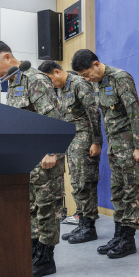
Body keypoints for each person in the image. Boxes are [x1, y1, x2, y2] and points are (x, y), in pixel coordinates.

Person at [0, 40, 65, 277]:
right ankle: (34, 252)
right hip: (28, 160)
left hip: (45, 158)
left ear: (7, 57)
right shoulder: (14, 82)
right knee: (32, 210)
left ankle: (46, 260)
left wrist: (51, 152)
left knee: (47, 209)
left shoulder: (35, 79)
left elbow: (52, 119)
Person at [71, 49, 139, 258]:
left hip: (131, 146)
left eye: (87, 74)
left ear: (96, 64)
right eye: (83, 77)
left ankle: (128, 240)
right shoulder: (98, 83)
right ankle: (119, 235)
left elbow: (134, 111)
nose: (87, 79)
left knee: (132, 192)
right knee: (118, 191)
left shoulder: (119, 78)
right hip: (115, 147)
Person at [38, 61, 102, 244]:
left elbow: (93, 113)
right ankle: (82, 223)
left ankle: (89, 227)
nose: (51, 85)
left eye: (50, 80)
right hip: (72, 139)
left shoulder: (79, 84)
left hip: (84, 138)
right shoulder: (62, 88)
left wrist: (96, 141)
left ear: (57, 72)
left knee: (85, 182)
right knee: (76, 182)